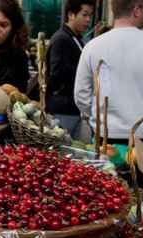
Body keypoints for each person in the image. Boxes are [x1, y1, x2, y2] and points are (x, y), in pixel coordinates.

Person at [74, 0, 143, 149]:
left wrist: (98, 115)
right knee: (142, 173)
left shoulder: (92, 47)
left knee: (104, 173)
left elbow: (81, 94)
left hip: (105, 134)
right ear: (137, 10)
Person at [46, 0, 94, 140]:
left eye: (89, 16)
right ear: (71, 15)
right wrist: (85, 74)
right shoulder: (62, 39)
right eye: (84, 15)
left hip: (72, 108)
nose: (88, 20)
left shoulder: (75, 38)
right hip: (62, 109)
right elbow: (56, 74)